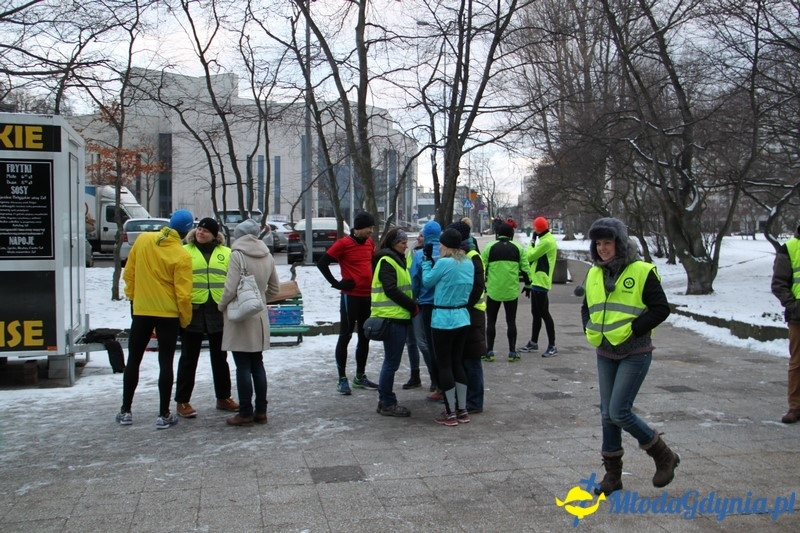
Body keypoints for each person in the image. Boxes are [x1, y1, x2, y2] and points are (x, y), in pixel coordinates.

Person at [580, 217, 678, 495]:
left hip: (634, 352)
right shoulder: (594, 273)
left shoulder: (642, 271)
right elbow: (586, 306)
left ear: (619, 244)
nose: (602, 249)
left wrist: (634, 330)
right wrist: (588, 326)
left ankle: (663, 455)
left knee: (619, 411)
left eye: (607, 243)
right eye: (598, 244)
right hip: (604, 350)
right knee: (607, 415)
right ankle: (613, 476)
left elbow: (661, 309)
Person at [117, 209, 194, 429]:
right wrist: (184, 318)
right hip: (168, 314)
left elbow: (129, 273)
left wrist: (134, 299)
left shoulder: (143, 240)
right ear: (186, 230)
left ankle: (125, 410)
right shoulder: (181, 254)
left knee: (134, 360)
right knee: (166, 362)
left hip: (141, 310)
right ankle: (163, 413)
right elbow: (183, 293)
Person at [218, 219, 281, 426]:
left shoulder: (237, 254)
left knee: (242, 365)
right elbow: (274, 288)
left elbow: (230, 287)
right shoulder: (267, 254)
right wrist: (260, 301)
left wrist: (221, 306)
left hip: (240, 315)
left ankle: (245, 412)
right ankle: (261, 411)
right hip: (259, 316)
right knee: (257, 364)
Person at [174, 217, 239, 418]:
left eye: (206, 230)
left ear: (214, 235)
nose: (201, 233)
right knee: (188, 358)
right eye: (199, 229)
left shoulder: (226, 253)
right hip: (193, 310)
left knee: (220, 358)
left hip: (218, 311)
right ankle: (182, 401)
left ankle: (223, 397)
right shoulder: (184, 251)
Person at [317, 211, 378, 395]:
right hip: (350, 297)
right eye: (369, 227)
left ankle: (360, 376)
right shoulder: (343, 243)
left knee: (365, 336)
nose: (371, 231)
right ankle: (342, 379)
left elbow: (372, 264)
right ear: (359, 228)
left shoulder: (369, 243)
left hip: (367, 296)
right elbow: (322, 263)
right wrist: (336, 283)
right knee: (346, 336)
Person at [422, 228, 475, 426]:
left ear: (445, 245)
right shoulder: (468, 263)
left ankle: (449, 412)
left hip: (443, 318)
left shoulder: (443, 262)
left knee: (444, 364)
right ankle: (462, 409)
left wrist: (427, 261)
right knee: (457, 363)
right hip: (462, 317)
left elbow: (428, 282)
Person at [372, 228, 418, 417]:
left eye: (406, 241)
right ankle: (387, 402)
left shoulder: (397, 260)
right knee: (391, 363)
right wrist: (412, 305)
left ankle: (386, 399)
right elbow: (391, 289)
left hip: (397, 315)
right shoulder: (387, 261)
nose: (406, 245)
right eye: (402, 242)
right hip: (391, 317)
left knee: (391, 362)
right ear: (393, 243)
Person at [449, 221, 487, 414]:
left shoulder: (472, 256)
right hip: (466, 312)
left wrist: (464, 305)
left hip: (474, 313)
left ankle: (475, 401)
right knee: (464, 357)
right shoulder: (461, 255)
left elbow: (477, 287)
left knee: (472, 359)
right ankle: (465, 399)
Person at [481, 223, 531, 362]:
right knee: (511, 321)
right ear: (511, 234)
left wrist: (482, 285)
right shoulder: (518, 248)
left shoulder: (490, 248)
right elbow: (526, 269)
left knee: (491, 322)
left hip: (493, 291)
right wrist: (528, 284)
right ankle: (512, 352)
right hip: (511, 291)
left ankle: (489, 351)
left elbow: (482, 267)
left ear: (498, 234)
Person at [410, 220, 443, 400]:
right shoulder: (447, 253)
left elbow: (414, 279)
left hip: (426, 305)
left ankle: (437, 382)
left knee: (427, 343)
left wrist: (413, 298)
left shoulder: (420, 255)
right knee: (442, 346)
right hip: (444, 304)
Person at [771, 222, 800, 424]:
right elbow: (778, 284)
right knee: (797, 363)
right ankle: (796, 406)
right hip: (799, 316)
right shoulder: (790, 248)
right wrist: (794, 306)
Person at [519, 216, 558, 357]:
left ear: (537, 229)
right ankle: (534, 342)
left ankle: (552, 345)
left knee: (544, 314)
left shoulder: (546, 242)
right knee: (536, 313)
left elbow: (530, 256)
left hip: (541, 281)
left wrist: (532, 242)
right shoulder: (546, 240)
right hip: (537, 281)